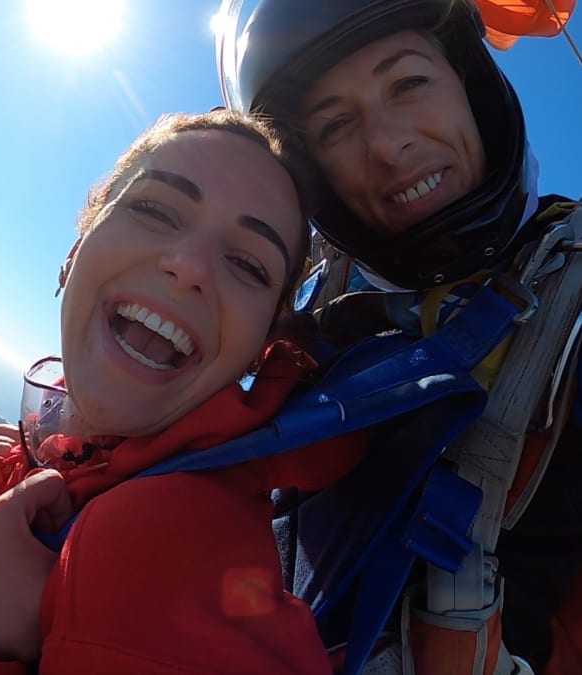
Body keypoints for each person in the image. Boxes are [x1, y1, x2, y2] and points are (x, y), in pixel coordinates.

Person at [0, 109, 370, 675]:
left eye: (245, 263)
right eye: (154, 210)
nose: (187, 266)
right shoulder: (55, 459)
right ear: (74, 255)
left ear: (260, 348)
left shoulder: (162, 541)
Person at [215, 0, 581, 673]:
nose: (386, 144)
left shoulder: (572, 322)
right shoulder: (310, 307)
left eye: (408, 84)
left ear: (469, 83)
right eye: (335, 125)